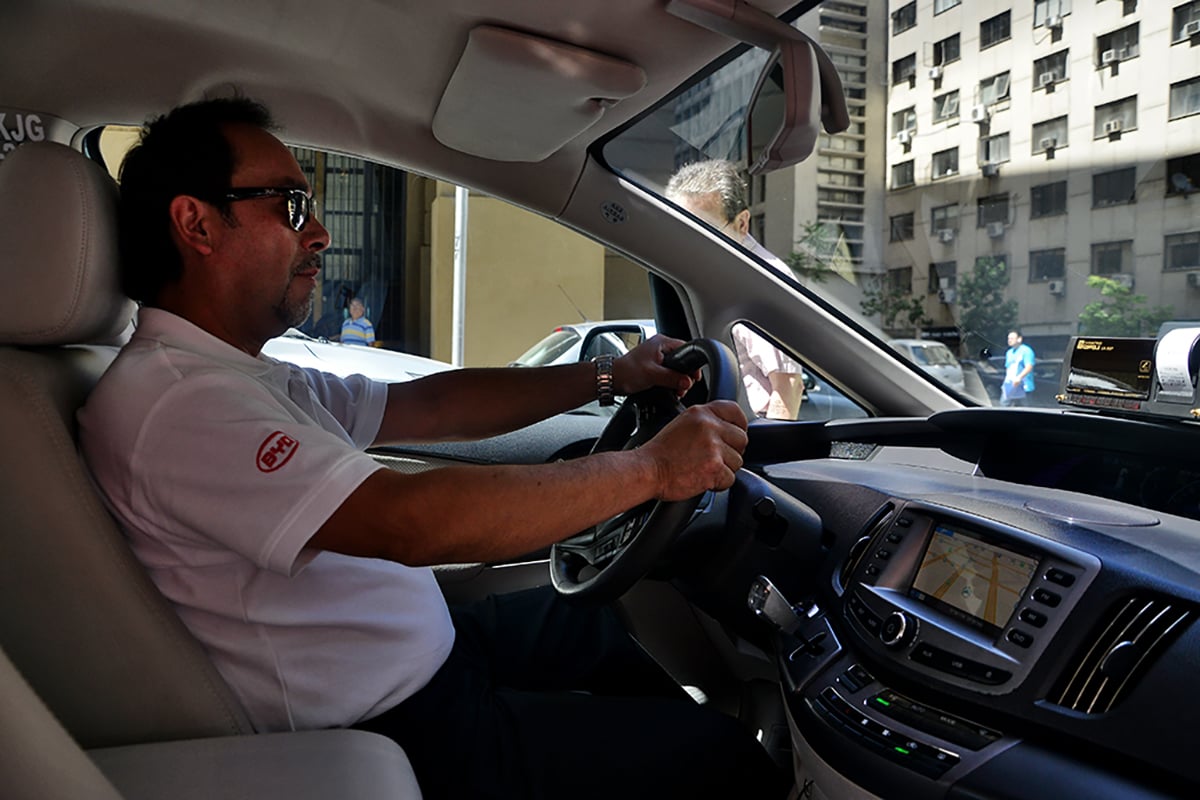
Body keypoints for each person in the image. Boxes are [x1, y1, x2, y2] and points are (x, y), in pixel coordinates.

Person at [78, 96, 788, 800]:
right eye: (291, 207)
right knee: (722, 761)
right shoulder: (178, 405)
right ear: (196, 223)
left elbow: (431, 404)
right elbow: (410, 522)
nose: (319, 233)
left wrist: (614, 373)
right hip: (403, 725)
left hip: (433, 655)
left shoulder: (234, 370)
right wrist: (654, 469)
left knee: (589, 626)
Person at [665, 160, 805, 420]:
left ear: (742, 223)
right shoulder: (712, 271)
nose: (690, 242)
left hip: (749, 432)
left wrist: (762, 452)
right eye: (681, 230)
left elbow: (788, 388)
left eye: (705, 231)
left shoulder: (763, 282)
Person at [1002, 329, 1036, 406]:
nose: (1009, 340)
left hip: (1024, 386)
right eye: (1008, 338)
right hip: (1010, 385)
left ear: (1019, 339)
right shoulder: (1009, 352)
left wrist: (1019, 378)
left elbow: (1029, 367)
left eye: (1012, 338)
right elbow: (1008, 367)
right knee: (1004, 405)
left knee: (1025, 409)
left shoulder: (1026, 351)